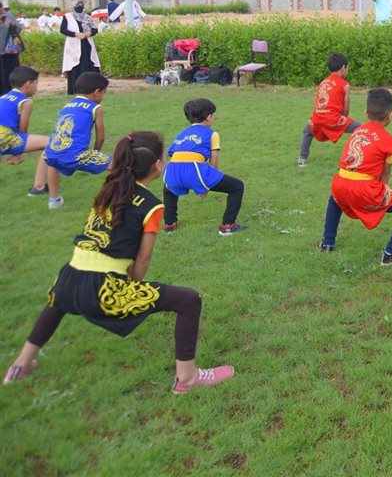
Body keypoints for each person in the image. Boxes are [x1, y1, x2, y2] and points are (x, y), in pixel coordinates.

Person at [3, 132, 234, 393]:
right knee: (189, 300)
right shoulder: (152, 206)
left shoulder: (108, 188)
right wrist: (132, 289)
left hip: (68, 276)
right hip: (104, 288)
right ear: (158, 165)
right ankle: (187, 377)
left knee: (58, 302)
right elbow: (143, 260)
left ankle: (20, 364)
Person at [319, 88, 392, 263]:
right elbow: (385, 175)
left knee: (335, 198)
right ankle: (390, 254)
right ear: (390, 115)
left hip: (339, 183)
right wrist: (380, 197)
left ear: (366, 112)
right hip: (364, 189)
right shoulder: (389, 141)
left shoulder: (358, 130)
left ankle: (327, 243)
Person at [162, 98, 246, 235]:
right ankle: (228, 225)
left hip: (171, 170)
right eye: (213, 115)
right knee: (237, 186)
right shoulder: (212, 133)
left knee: (168, 189)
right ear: (208, 117)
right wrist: (207, 184)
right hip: (193, 170)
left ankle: (169, 224)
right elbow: (214, 159)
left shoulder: (182, 133)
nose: (214, 118)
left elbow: (171, 152)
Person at [35, 71, 111, 209]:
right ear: (96, 92)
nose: (103, 96)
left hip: (52, 151)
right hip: (76, 154)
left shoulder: (67, 105)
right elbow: (100, 137)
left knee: (53, 162)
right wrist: (96, 153)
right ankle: (121, 195)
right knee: (119, 166)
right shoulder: (95, 108)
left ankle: (54, 200)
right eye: (104, 93)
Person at [297, 53, 359, 167]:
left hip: (317, 118)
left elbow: (319, 103)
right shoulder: (345, 85)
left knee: (307, 131)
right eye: (348, 67)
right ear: (343, 67)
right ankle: (363, 155)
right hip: (333, 119)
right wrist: (343, 119)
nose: (348, 70)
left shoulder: (323, 83)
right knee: (362, 129)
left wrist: (314, 119)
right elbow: (346, 109)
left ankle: (302, 159)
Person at [0, 66, 50, 166]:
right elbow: (23, 131)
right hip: (4, 136)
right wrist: (16, 154)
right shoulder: (25, 102)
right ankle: (41, 177)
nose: (36, 87)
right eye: (36, 83)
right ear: (28, 84)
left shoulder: (3, 97)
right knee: (51, 143)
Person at [60, 0, 100, 95]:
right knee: (75, 66)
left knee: (87, 65)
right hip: (73, 45)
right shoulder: (68, 17)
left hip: (86, 44)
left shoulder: (87, 17)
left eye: (82, 5)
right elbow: (63, 30)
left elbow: (95, 30)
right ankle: (75, 89)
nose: (80, 7)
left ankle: (90, 88)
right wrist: (76, 34)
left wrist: (88, 33)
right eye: (78, 5)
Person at [0, 4, 23, 95]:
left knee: (11, 71)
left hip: (9, 51)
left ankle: (13, 90)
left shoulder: (8, 15)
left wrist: (13, 26)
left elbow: (18, 28)